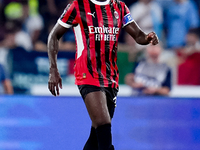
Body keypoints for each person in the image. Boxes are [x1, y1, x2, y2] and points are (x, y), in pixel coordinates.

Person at [47, 0, 158, 149]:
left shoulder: (119, 7)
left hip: (110, 76)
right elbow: (54, 36)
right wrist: (53, 70)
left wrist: (147, 38)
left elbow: (137, 35)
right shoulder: (78, 6)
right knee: (103, 123)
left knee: (96, 135)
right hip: (87, 73)